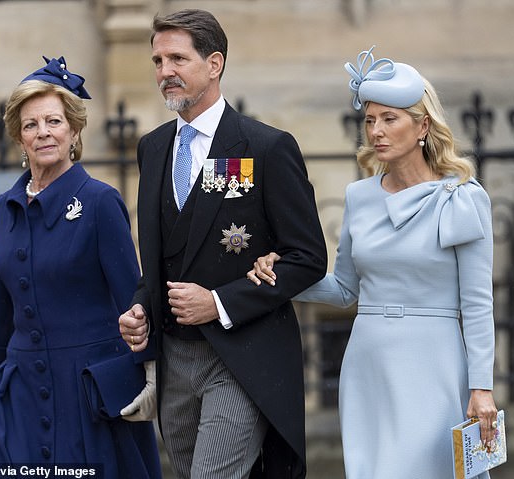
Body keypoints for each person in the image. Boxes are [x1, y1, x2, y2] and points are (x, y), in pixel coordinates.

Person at [247, 46, 499, 479]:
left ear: (422, 125)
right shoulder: (359, 197)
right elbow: (344, 290)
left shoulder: (462, 197)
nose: (376, 131)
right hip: (368, 363)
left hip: (434, 363)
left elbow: (477, 303)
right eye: (369, 119)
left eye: (389, 118)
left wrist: (482, 388)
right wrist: (281, 273)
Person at [117, 9, 327, 479]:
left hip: (243, 357)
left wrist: (219, 302)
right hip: (174, 360)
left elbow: (308, 258)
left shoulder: (265, 147)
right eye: (157, 60)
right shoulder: (151, 148)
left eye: (177, 58)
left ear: (215, 64)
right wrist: (140, 308)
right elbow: (165, 254)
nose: (164, 72)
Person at [0, 56, 162, 478]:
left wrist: (153, 372)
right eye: (31, 125)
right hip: (22, 397)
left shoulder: (101, 201)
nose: (43, 132)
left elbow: (135, 301)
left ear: (74, 131)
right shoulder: (4, 208)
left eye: (54, 121)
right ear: (19, 136)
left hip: (90, 396)